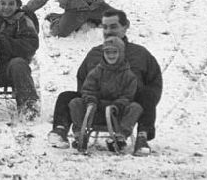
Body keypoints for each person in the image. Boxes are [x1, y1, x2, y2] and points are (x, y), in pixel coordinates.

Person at [48, 9, 162, 156]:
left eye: (113, 26)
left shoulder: (140, 55)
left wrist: (137, 104)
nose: (108, 31)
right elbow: (82, 82)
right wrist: (89, 103)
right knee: (66, 97)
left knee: (147, 95)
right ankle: (60, 130)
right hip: (95, 106)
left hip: (126, 109)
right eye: (105, 27)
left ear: (126, 26)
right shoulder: (95, 53)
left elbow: (154, 84)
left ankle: (142, 137)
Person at [69, 36, 142, 153]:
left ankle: (120, 137)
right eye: (108, 52)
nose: (111, 55)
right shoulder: (96, 72)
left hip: (117, 114)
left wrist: (117, 105)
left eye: (114, 52)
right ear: (103, 54)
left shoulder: (129, 76)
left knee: (135, 107)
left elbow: (128, 96)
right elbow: (88, 89)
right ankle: (80, 135)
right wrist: (91, 102)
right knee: (75, 103)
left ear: (121, 53)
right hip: (96, 111)